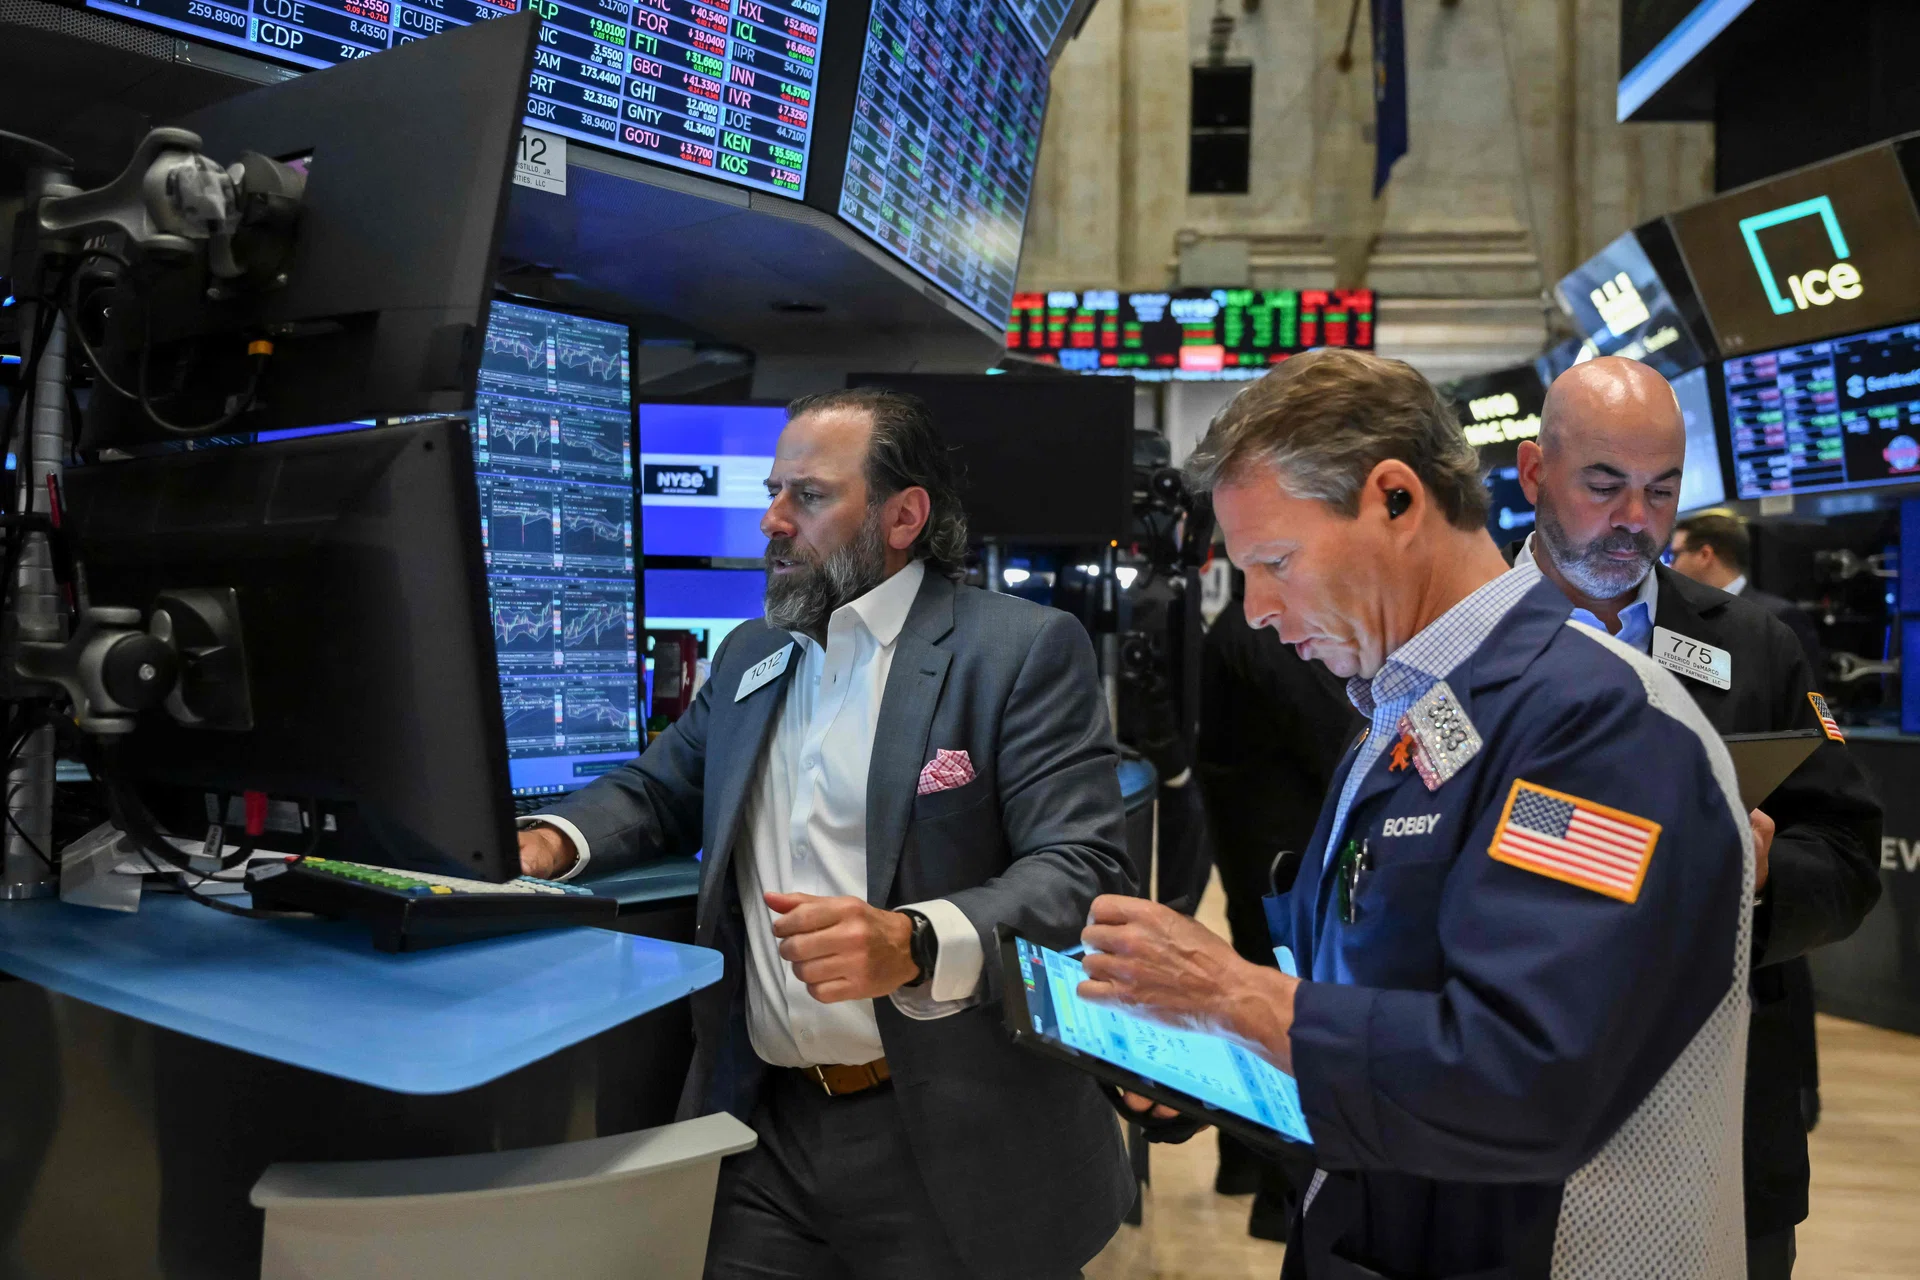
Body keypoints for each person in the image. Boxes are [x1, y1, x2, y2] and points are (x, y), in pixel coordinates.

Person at [1075, 348, 1755, 1279]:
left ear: (1394, 498)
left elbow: (1527, 1076)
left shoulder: (1598, 726)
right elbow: (1378, 993)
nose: (1259, 610)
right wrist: (1215, 1045)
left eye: (1276, 562)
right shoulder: (1408, 712)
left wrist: (1238, 997)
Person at [519, 388, 1137, 1280]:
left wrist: (915, 941)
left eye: (807, 496)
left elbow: (1082, 869)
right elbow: (659, 791)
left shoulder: (1017, 650)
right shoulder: (753, 653)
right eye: (773, 492)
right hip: (768, 1129)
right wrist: (544, 844)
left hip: (951, 1137)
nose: (772, 520)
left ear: (902, 517)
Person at [1510, 358, 1882, 1279]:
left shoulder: (1755, 646)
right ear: (1534, 473)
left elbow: (1847, 854)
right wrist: (1624, 847)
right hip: (1512, 1128)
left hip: (1723, 1130)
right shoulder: (1454, 638)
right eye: (1604, 486)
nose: (1635, 519)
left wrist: (1760, 876)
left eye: (1661, 490)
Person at [1194, 575, 1359, 1238]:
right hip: (1278, 861)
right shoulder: (1263, 631)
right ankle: (1275, 1196)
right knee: (1275, 1025)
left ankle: (1243, 1168)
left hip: (1255, 851)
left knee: (1258, 1013)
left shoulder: (1242, 628)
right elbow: (1335, 739)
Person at [1670, 510, 1826, 689]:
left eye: (1676, 555)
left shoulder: (1780, 618)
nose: (1672, 566)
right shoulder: (1682, 617)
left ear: (1705, 555)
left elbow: (1807, 694)